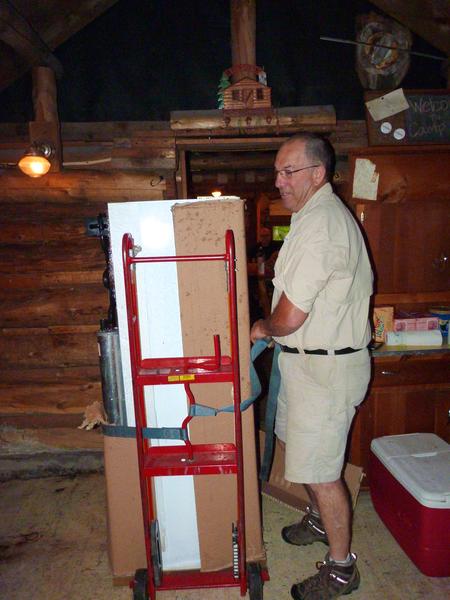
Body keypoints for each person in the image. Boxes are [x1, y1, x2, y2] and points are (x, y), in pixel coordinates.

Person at [250, 133, 373, 600]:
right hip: (308, 366)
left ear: (317, 174)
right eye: (277, 171)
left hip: (326, 371)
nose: (278, 180)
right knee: (302, 451)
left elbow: (289, 316)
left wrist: (262, 327)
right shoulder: (309, 217)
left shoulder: (322, 224)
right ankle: (321, 522)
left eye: (288, 171)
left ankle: (342, 570)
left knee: (323, 472)